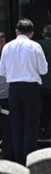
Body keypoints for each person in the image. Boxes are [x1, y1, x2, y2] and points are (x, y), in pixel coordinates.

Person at [0, 19, 48, 165]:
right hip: (31, 88)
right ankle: (29, 159)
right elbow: (43, 70)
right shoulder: (35, 46)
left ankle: (18, 160)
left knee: (16, 125)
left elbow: (2, 71)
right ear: (31, 33)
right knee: (31, 125)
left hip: (13, 88)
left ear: (16, 32)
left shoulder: (7, 47)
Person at [0, 32, 13, 161]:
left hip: (6, 98)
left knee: (7, 130)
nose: (3, 45)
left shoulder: (7, 55)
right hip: (2, 99)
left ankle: (7, 155)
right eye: (1, 42)